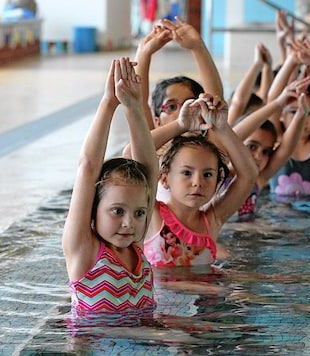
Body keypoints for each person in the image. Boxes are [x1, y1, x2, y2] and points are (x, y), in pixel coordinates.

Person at [61, 57, 158, 318]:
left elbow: (150, 169)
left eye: (139, 213)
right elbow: (88, 167)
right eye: (117, 211)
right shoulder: (84, 251)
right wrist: (108, 103)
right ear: (93, 209)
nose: (130, 222)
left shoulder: (136, 247)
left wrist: (134, 108)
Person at [143, 94, 259, 266]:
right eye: (187, 173)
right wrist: (181, 125)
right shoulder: (153, 214)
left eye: (208, 175)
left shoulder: (212, 221)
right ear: (165, 178)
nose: (198, 182)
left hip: (206, 293)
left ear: (217, 182)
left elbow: (248, 174)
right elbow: (131, 154)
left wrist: (222, 127)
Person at [227, 76, 310, 221]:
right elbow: (237, 108)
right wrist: (278, 103)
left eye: (266, 152)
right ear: (236, 143)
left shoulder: (256, 180)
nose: (259, 156)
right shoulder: (218, 173)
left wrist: (301, 114)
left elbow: (286, 149)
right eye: (252, 146)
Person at [267, 37, 310, 202]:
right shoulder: (277, 141)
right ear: (282, 117)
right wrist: (291, 61)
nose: (302, 118)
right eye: (293, 112)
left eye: (309, 113)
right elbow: (273, 99)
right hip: (277, 213)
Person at [135, 16, 224, 130]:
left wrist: (198, 47)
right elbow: (138, 105)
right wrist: (143, 52)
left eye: (191, 104)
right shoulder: (153, 146)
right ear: (158, 122)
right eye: (171, 107)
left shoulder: (211, 141)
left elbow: (215, 99)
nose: (183, 111)